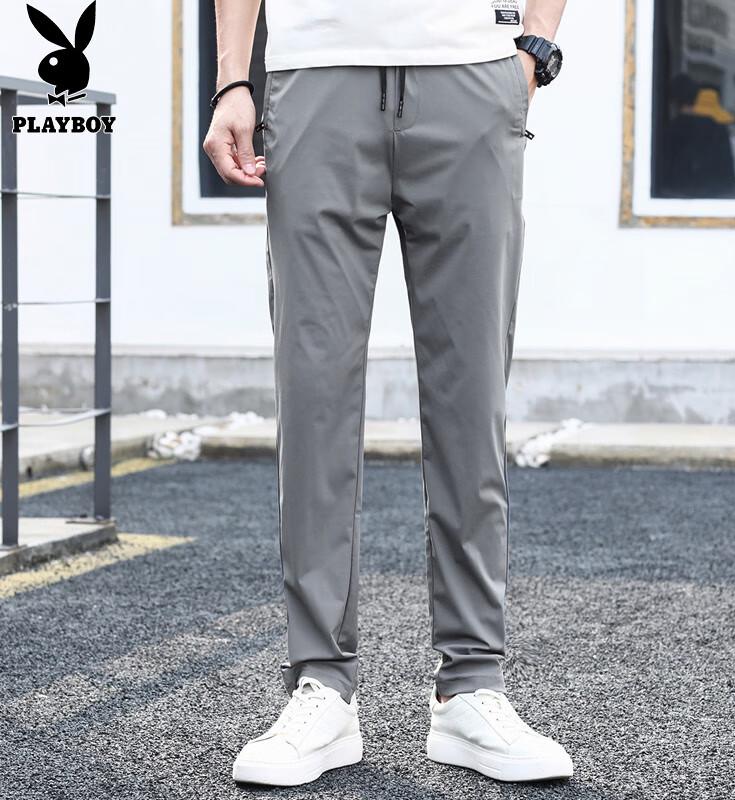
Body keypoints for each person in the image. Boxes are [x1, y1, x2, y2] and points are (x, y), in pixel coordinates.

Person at [204, 0, 572, 786]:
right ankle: (322, 685)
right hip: (314, 77)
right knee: (314, 398)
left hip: (473, 76)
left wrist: (534, 51)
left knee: (472, 396)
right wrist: (234, 79)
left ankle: (472, 684)